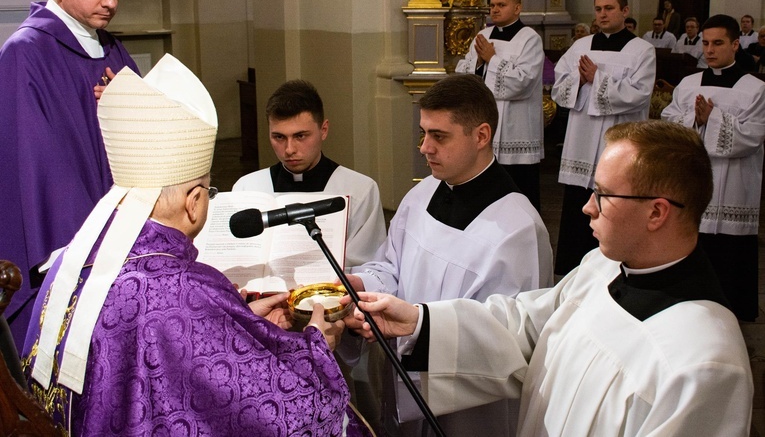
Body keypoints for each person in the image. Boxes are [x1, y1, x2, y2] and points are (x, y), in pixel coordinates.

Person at [22, 54, 373, 436]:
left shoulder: (71, 259)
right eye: (208, 191)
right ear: (193, 201)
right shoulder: (185, 289)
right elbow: (279, 410)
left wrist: (237, 317)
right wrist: (316, 347)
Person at [349, 120, 753, 437]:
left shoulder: (703, 362)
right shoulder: (601, 267)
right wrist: (419, 322)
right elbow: (526, 327)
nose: (587, 208)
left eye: (604, 194)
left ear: (657, 212)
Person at [348, 73, 553, 436]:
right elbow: (391, 265)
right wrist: (360, 283)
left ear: (481, 136)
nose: (425, 147)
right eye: (423, 133)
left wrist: (424, 328)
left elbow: (507, 339)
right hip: (404, 379)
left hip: (470, 410)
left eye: (438, 136)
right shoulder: (422, 193)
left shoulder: (517, 228)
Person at [0, 0, 139, 351]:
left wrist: (133, 102)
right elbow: (34, 164)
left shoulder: (111, 49)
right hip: (69, 240)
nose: (110, 2)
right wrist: (80, 250)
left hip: (119, 230)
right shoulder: (25, 53)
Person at [662, 14, 765, 322]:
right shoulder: (688, 83)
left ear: (735, 44)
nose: (709, 50)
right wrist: (693, 119)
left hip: (735, 180)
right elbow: (669, 120)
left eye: (718, 43)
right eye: (705, 43)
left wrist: (714, 118)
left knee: (731, 248)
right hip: (695, 177)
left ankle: (734, 307)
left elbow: (755, 134)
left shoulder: (754, 88)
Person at [552, 0, 655, 276]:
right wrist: (582, 82)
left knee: (615, 199)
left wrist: (598, 79)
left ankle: (614, 266)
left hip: (618, 139)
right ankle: (572, 270)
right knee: (577, 205)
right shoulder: (580, 47)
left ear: (625, 11)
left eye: (609, 8)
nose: (602, 14)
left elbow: (640, 93)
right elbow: (559, 89)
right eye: (598, 9)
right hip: (580, 141)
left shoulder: (641, 50)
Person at [233, 80, 386, 269]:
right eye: (279, 137)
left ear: (324, 130)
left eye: (300, 136)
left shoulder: (360, 189)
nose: (289, 150)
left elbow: (368, 265)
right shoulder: (247, 188)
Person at [455, 0, 545, 210]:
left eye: (501, 5)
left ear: (517, 8)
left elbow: (523, 82)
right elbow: (466, 73)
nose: (494, 10)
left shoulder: (529, 39)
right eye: (492, 5)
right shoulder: (483, 35)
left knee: (518, 189)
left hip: (517, 125)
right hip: (485, 121)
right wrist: (478, 62)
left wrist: (492, 60)